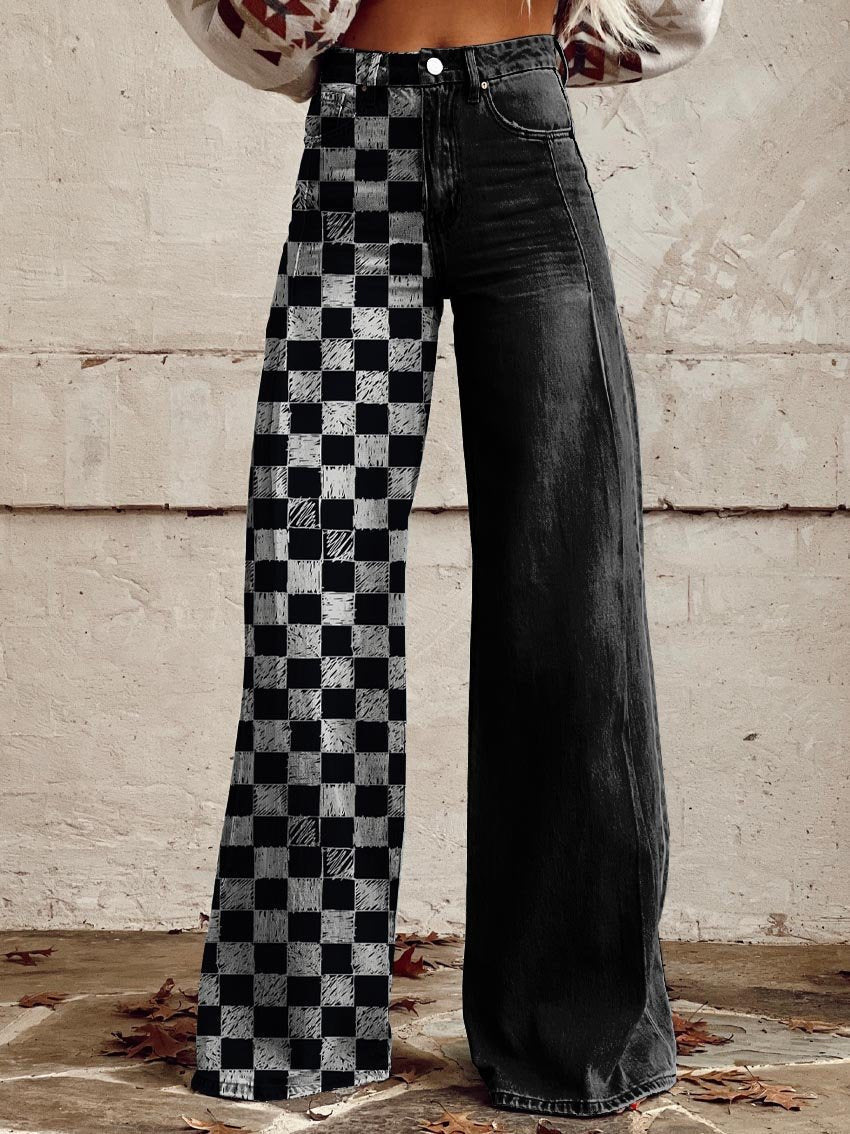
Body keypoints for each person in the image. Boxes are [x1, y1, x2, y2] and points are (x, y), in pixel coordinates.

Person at [163, 0, 723, 1118]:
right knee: (312, 606)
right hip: (355, 145)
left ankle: (574, 1037)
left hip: (521, 130)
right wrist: (306, 37)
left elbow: (680, 12)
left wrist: (548, 49)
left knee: (572, 598)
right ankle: (297, 1028)